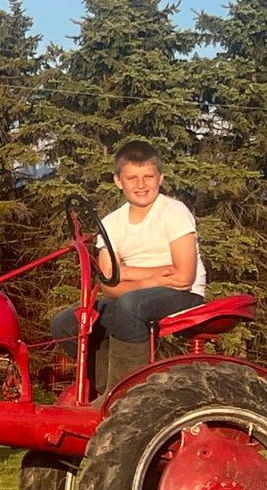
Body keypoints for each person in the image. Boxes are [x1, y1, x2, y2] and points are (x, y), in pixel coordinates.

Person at [51, 140, 206, 395]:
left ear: (161, 178)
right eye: (132, 178)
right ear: (118, 181)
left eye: (148, 176)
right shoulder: (111, 224)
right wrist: (152, 276)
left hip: (184, 297)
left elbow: (183, 277)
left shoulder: (173, 212)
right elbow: (109, 285)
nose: (141, 185)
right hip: (139, 295)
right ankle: (105, 390)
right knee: (67, 322)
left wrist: (127, 276)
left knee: (130, 305)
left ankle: (129, 395)